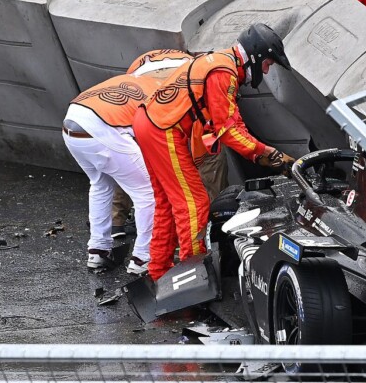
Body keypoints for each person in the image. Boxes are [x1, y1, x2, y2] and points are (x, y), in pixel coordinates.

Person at [134, 23, 295, 280]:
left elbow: (232, 122)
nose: (266, 69)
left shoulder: (221, 62)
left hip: (150, 123)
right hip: (163, 129)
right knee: (194, 203)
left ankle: (159, 273)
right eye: (268, 63)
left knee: (167, 204)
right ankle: (194, 279)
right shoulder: (224, 72)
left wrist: (263, 152)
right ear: (256, 55)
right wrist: (272, 156)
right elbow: (229, 131)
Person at [65, 49, 191, 275]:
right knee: (148, 193)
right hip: (102, 128)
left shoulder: (130, 78)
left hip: (72, 123)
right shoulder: (164, 92)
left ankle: (98, 250)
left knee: (101, 185)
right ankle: (143, 258)